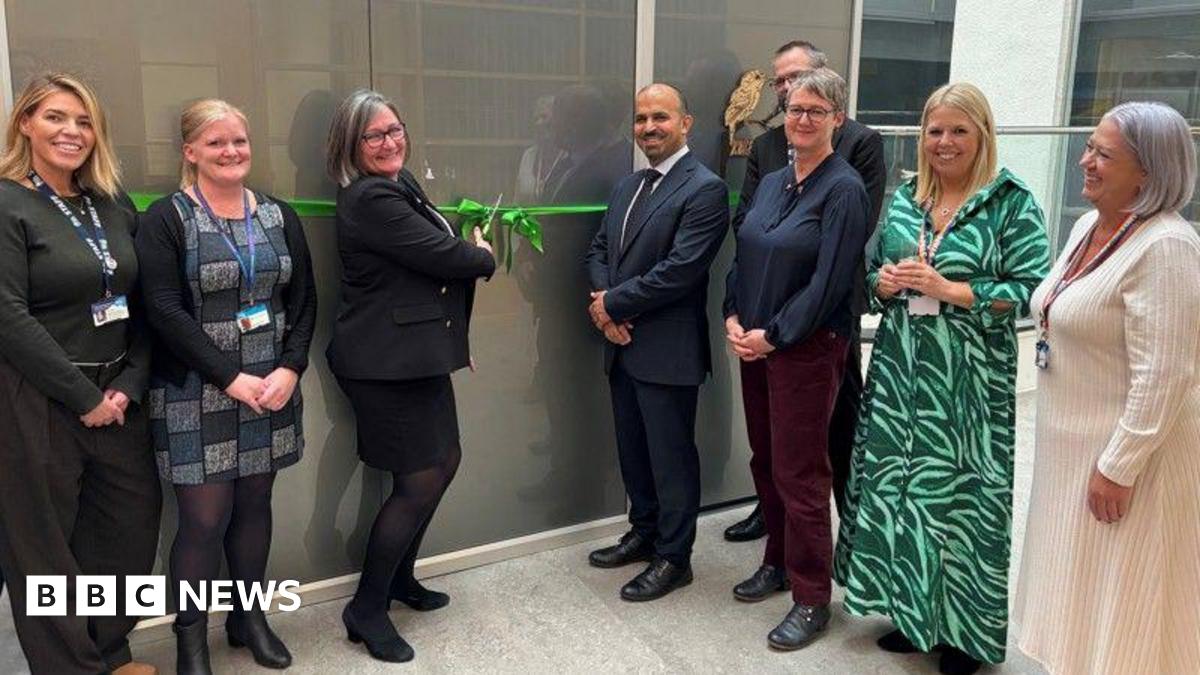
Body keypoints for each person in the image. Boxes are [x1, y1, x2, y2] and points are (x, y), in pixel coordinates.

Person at [833, 82, 1050, 675]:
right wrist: (883, 282)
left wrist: (951, 290)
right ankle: (912, 615)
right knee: (903, 496)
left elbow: (1032, 290)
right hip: (901, 373)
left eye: (958, 130)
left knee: (961, 503)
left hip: (968, 383)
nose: (944, 142)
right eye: (935, 131)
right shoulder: (908, 197)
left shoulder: (1011, 202)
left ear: (982, 134)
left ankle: (964, 636)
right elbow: (874, 270)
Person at [1015, 102, 1200, 675]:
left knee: (1124, 607)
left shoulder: (1166, 246)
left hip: (1127, 465)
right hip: (1072, 451)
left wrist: (1119, 465)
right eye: (1089, 146)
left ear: (1148, 171)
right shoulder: (1088, 227)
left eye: (1103, 153)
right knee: (1078, 594)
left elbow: (1165, 373)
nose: (1085, 160)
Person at [137, 99, 317, 674]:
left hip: (270, 388)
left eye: (239, 140)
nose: (231, 151)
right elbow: (164, 311)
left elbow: (304, 300)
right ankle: (190, 639)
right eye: (216, 142)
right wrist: (229, 377)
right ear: (190, 151)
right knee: (203, 521)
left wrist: (291, 367)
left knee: (255, 505)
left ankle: (249, 619)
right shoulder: (167, 219)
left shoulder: (278, 215)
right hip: (194, 392)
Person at [325, 89, 495, 663]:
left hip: (415, 356)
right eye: (373, 135)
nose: (389, 142)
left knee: (444, 463)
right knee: (418, 480)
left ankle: (400, 579)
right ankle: (366, 609)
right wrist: (483, 255)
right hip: (384, 365)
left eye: (394, 129)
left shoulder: (400, 183)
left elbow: (430, 253)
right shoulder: (370, 196)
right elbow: (444, 256)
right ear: (351, 145)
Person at [0, 72, 161, 675]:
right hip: (38, 398)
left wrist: (130, 383)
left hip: (118, 397)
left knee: (126, 532)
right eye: (55, 117)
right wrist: (80, 396)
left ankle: (109, 653)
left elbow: (141, 303)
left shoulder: (110, 204)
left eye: (84, 121)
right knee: (43, 551)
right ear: (25, 123)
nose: (72, 131)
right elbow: (7, 315)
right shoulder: (7, 203)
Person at [724, 68, 869, 649]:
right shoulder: (771, 182)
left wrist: (775, 336)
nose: (802, 119)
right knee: (766, 459)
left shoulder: (845, 190)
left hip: (806, 349)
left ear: (837, 118)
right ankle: (777, 562)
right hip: (756, 343)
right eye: (795, 109)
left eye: (816, 110)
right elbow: (745, 253)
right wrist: (734, 315)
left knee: (801, 473)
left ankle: (812, 597)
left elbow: (830, 283)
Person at [583, 83, 729, 601]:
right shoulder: (628, 185)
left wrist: (612, 306)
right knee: (634, 451)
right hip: (622, 345)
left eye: (660, 117)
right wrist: (606, 308)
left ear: (686, 123)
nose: (649, 127)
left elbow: (681, 271)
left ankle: (674, 556)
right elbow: (599, 249)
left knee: (671, 458)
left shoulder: (705, 189)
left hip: (668, 350)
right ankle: (643, 533)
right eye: (642, 118)